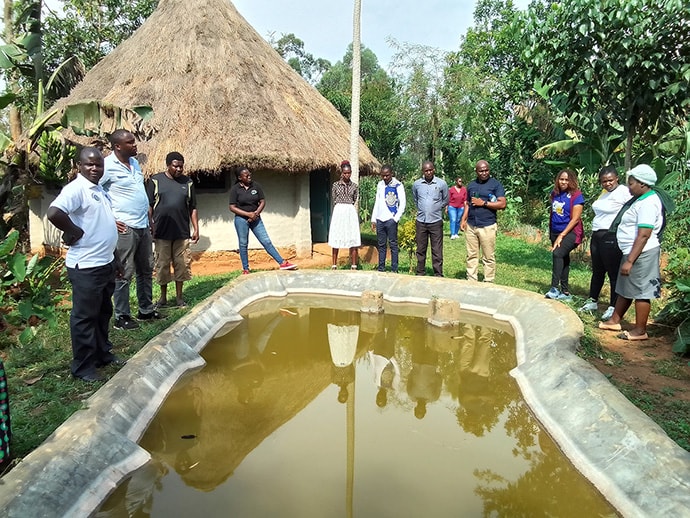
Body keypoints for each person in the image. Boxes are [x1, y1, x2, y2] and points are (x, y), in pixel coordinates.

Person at [47, 147, 126, 382]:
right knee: (84, 317)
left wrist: (116, 260)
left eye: (98, 165)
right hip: (86, 266)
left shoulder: (99, 190)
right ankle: (83, 367)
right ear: (79, 166)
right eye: (89, 164)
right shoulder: (77, 189)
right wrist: (73, 230)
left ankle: (103, 354)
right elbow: (54, 212)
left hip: (105, 262)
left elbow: (104, 226)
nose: (95, 168)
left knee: (103, 312)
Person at [599, 165, 668, 341]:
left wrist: (630, 260)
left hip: (642, 253)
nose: (628, 187)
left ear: (642, 184)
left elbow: (644, 234)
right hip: (631, 251)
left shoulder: (648, 203)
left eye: (631, 184)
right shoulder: (640, 199)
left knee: (641, 292)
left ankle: (640, 330)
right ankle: (615, 320)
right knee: (625, 288)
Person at [100, 129, 160, 331]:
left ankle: (145, 310)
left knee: (146, 268)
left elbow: (139, 193)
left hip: (143, 224)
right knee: (124, 271)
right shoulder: (107, 166)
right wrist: (109, 218)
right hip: (125, 226)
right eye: (130, 142)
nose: (135, 145)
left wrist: (149, 218)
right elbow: (94, 193)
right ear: (118, 146)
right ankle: (122, 316)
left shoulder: (134, 163)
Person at [146, 152, 199, 308]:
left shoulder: (188, 182)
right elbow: (149, 205)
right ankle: (162, 298)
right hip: (161, 232)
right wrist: (150, 223)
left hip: (182, 232)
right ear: (168, 165)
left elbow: (193, 207)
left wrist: (196, 228)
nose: (179, 169)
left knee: (181, 265)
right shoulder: (156, 180)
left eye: (181, 166)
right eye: (175, 166)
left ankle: (179, 298)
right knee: (162, 265)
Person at [580, 166, 632, 320]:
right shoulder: (604, 193)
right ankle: (592, 300)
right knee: (597, 270)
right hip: (597, 235)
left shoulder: (623, 191)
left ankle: (613, 306)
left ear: (617, 178)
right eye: (604, 181)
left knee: (613, 272)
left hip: (611, 235)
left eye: (610, 180)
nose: (607, 184)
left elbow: (630, 209)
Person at [228, 167, 297, 274]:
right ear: (240, 178)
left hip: (256, 219)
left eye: (249, 174)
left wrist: (255, 214)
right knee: (243, 244)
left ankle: (282, 263)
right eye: (246, 175)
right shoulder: (235, 189)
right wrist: (248, 214)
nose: (249, 176)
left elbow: (262, 201)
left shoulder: (256, 186)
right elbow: (232, 207)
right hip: (241, 220)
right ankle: (246, 269)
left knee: (266, 241)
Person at [461, 160, 506, 282]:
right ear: (476, 171)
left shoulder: (495, 185)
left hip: (487, 225)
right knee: (471, 255)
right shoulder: (471, 185)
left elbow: (502, 204)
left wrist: (484, 203)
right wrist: (463, 220)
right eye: (481, 171)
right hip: (471, 225)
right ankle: (471, 279)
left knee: (488, 256)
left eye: (486, 170)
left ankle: (488, 281)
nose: (484, 173)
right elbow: (468, 204)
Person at [545, 169, 585, 301]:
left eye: (566, 179)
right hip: (555, 231)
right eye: (561, 179)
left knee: (557, 253)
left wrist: (562, 235)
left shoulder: (576, 195)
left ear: (571, 181)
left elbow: (575, 219)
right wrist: (552, 231)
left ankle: (554, 288)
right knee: (563, 258)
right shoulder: (555, 193)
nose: (563, 182)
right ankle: (565, 291)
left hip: (570, 232)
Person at [412, 160, 449, 276]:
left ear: (434, 170)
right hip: (421, 221)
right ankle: (420, 272)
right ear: (423, 171)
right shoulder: (416, 184)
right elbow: (416, 199)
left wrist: (436, 207)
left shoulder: (441, 184)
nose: (428, 172)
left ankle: (438, 274)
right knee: (421, 249)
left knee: (437, 250)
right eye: (426, 170)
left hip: (435, 221)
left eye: (430, 170)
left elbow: (446, 200)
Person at [370, 164, 406, 272]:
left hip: (391, 219)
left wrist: (395, 218)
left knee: (393, 244)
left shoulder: (398, 185)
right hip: (380, 219)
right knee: (381, 245)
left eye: (387, 175)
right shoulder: (380, 185)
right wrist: (373, 218)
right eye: (383, 176)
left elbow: (402, 203)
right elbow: (377, 202)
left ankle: (394, 268)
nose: (385, 178)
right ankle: (381, 267)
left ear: (391, 174)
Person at [328, 160, 361, 269]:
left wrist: (347, 207)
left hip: (350, 211)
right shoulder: (336, 185)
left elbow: (354, 199)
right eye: (345, 173)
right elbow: (334, 198)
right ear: (342, 173)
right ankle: (334, 264)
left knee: (352, 236)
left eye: (349, 172)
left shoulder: (354, 186)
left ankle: (354, 264)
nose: (347, 175)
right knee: (337, 235)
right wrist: (342, 207)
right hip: (339, 211)